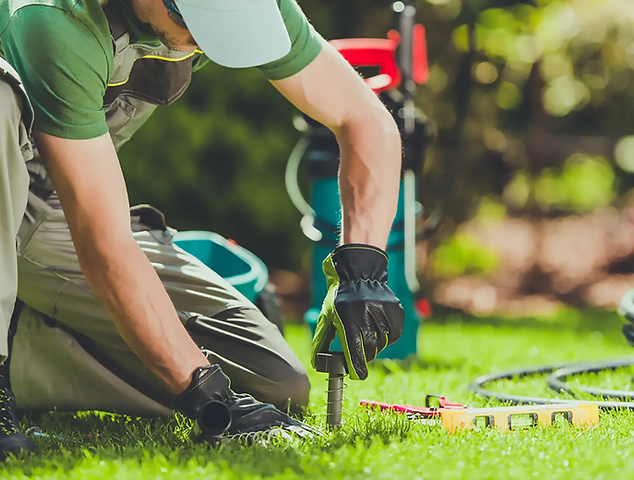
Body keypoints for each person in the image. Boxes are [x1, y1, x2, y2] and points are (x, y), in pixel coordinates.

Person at [0, 0, 405, 456]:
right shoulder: (55, 21)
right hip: (12, 208)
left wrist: (362, 268)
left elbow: (365, 119)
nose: (205, 40)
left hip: (58, 208)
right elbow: (105, 244)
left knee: (276, 383)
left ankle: (22, 348)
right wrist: (206, 394)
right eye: (193, 21)